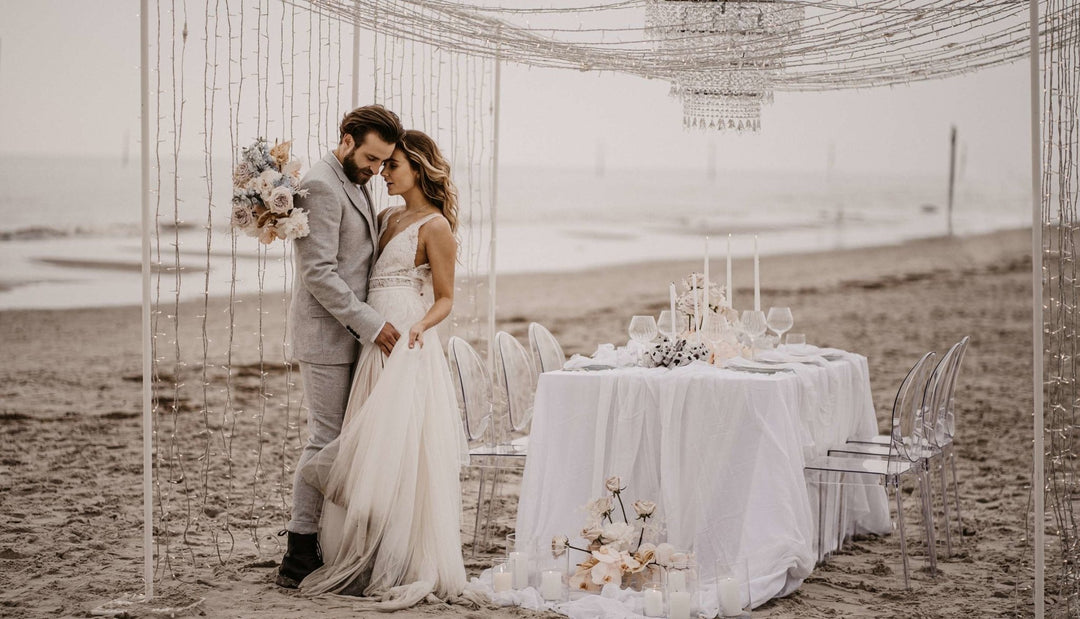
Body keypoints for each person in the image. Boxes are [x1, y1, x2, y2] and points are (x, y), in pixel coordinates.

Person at [297, 130, 472, 610]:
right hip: (374, 337)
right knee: (367, 440)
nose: (382, 173)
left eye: (391, 166)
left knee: (400, 448)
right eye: (380, 164)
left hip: (405, 341)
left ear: (417, 168)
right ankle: (358, 546)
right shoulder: (386, 215)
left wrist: (420, 327)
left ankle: (398, 555)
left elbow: (446, 298)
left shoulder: (436, 227)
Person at [277, 105, 405, 589]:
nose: (376, 170)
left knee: (345, 437)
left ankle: (329, 541)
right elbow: (319, 274)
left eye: (383, 162)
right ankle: (298, 549)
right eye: (371, 158)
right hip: (327, 335)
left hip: (349, 334)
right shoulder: (323, 185)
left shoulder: (353, 181)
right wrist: (372, 324)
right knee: (326, 439)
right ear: (346, 139)